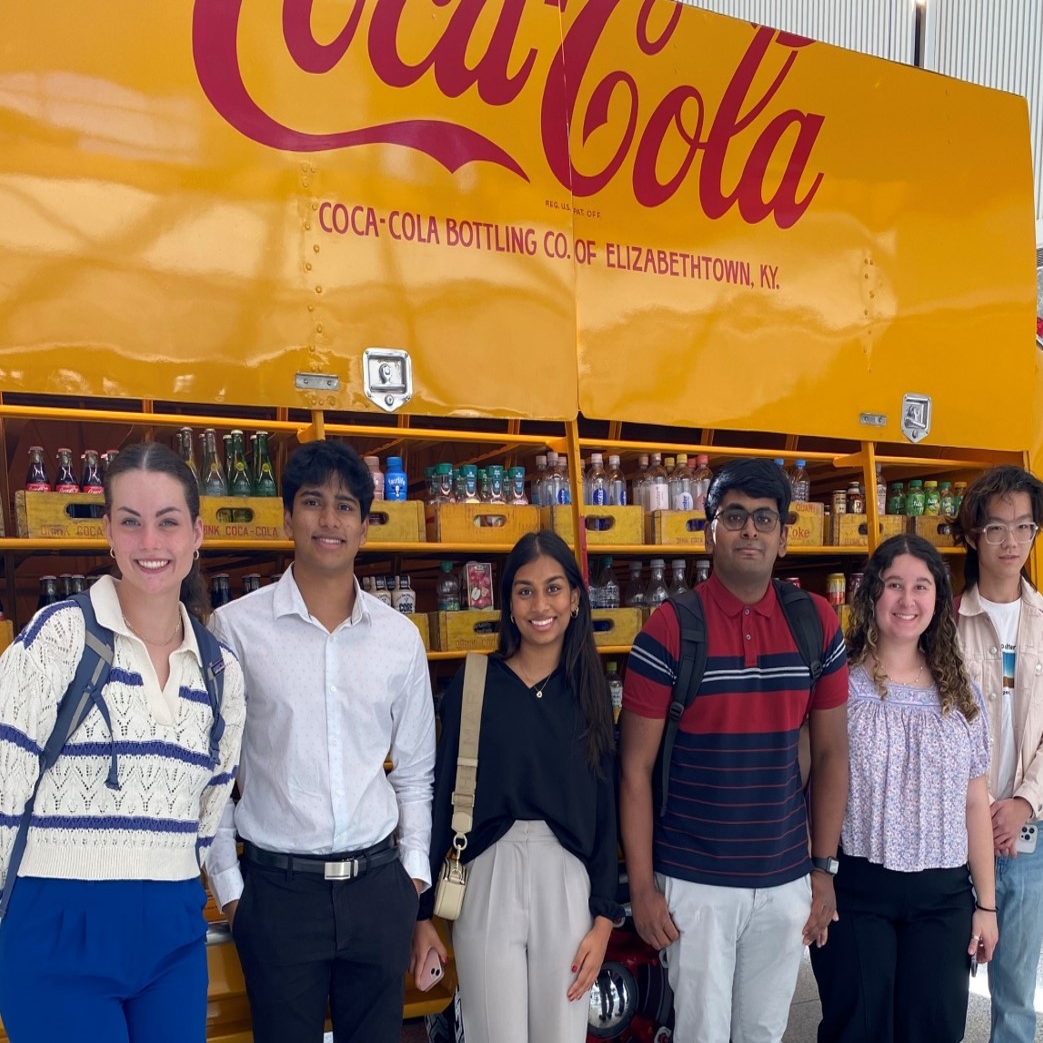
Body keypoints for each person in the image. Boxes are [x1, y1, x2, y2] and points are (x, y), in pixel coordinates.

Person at [0, 441, 246, 1043]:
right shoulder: (59, 638)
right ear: (108, 531)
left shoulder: (220, 673)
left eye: (168, 522)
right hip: (57, 926)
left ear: (197, 534)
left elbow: (209, 810)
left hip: (172, 933)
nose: (150, 544)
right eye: (130, 523)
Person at [206, 439, 435, 1043]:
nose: (329, 520)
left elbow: (414, 772)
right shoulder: (235, 629)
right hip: (278, 897)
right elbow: (214, 774)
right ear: (288, 517)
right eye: (313, 502)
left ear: (365, 526)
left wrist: (411, 875)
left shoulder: (398, 638)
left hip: (378, 890)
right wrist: (231, 891)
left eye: (344, 506)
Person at [619, 457, 849, 1043]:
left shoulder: (816, 623)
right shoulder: (669, 629)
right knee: (700, 1033)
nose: (750, 530)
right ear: (709, 529)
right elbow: (634, 772)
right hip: (694, 883)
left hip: (783, 877)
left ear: (783, 535)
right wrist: (643, 887)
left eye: (764, 519)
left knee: (764, 1033)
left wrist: (822, 869)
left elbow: (830, 757)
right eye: (736, 516)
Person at [411, 530, 620, 1043]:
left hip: (567, 882)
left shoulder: (589, 689)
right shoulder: (476, 680)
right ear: (508, 603)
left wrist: (604, 919)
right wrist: (422, 917)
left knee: (562, 1034)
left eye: (553, 588)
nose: (540, 604)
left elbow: (604, 809)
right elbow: (444, 799)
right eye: (524, 590)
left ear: (575, 599)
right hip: (487, 875)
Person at [810, 533, 997, 1042]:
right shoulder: (838, 687)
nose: (907, 600)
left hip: (944, 898)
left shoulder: (961, 692)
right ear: (872, 595)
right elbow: (812, 783)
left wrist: (986, 905)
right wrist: (816, 874)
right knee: (857, 1029)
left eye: (921, 586)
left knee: (933, 1030)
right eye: (894, 585)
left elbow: (975, 802)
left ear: (938, 600)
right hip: (856, 890)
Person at [952, 465, 1043, 1043]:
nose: (1011, 541)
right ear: (972, 535)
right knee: (941, 989)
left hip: (1028, 838)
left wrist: (1026, 803)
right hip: (955, 836)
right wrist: (980, 807)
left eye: (1024, 527)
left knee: (1016, 999)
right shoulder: (944, 625)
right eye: (996, 529)